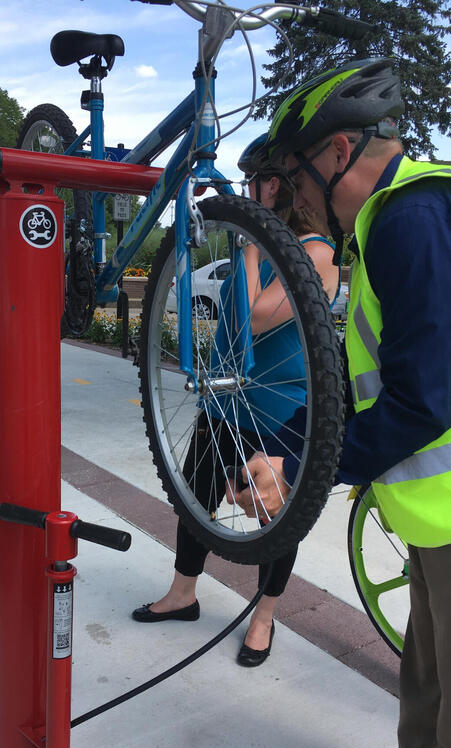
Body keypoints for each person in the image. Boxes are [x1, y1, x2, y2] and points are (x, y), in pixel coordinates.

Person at [231, 59, 451, 748]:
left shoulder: (417, 214)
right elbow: (368, 388)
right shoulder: (390, 226)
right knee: (429, 687)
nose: (294, 196)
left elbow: (423, 399)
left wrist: (300, 468)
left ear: (338, 151)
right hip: (446, 522)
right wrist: (294, 446)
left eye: (295, 175)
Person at [132, 142, 339, 667]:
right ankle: (183, 593)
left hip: (280, 409)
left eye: (256, 181)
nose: (247, 190)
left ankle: (263, 618)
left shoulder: (314, 253)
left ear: (276, 186)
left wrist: (249, 249)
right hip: (224, 399)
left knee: (275, 517)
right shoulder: (258, 239)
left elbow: (253, 320)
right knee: (194, 494)